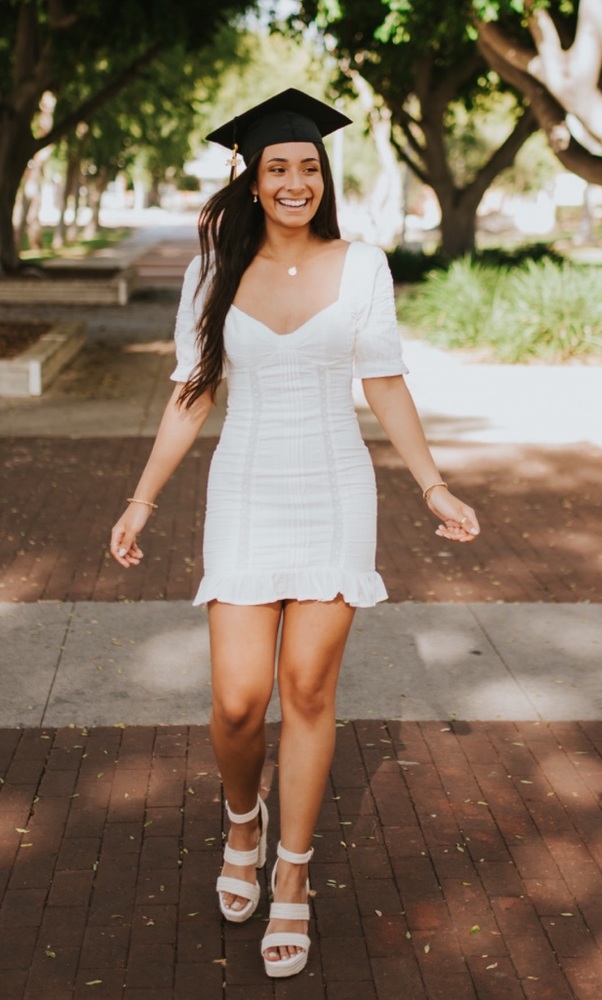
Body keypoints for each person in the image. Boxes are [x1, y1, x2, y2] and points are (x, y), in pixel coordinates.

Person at [109, 88, 480, 979]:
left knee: (307, 690)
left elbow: (384, 382)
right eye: (279, 167)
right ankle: (245, 818)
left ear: (324, 178)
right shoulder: (213, 267)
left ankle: (293, 875)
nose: (296, 182)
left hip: (335, 490)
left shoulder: (362, 266)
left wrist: (431, 483)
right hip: (241, 490)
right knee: (239, 700)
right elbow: (191, 393)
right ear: (251, 176)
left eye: (309, 167)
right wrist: (141, 499)